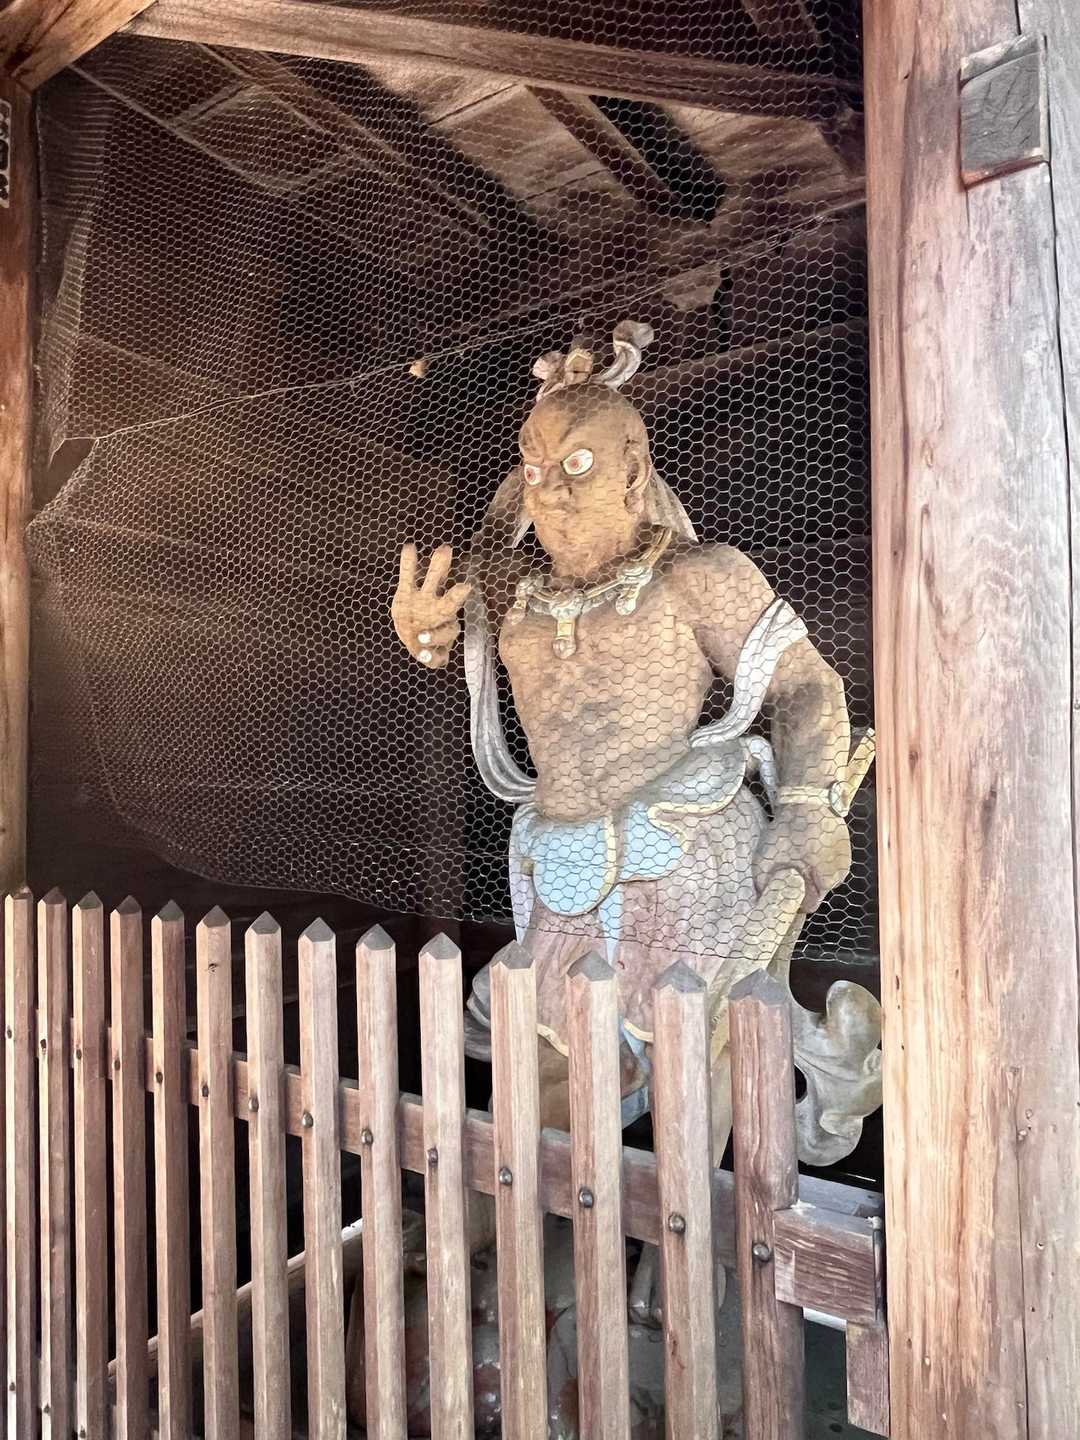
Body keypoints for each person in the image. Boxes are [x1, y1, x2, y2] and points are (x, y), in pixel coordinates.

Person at [391, 323, 853, 1155]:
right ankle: (549, 1223)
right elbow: (447, 624)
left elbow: (807, 685)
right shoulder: (510, 594)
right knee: (537, 1090)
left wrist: (806, 808)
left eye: (579, 464)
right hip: (559, 862)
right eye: (537, 468)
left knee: (692, 1084)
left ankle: (693, 1228)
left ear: (634, 471)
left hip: (681, 849)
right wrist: (423, 634)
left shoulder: (697, 575)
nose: (552, 491)